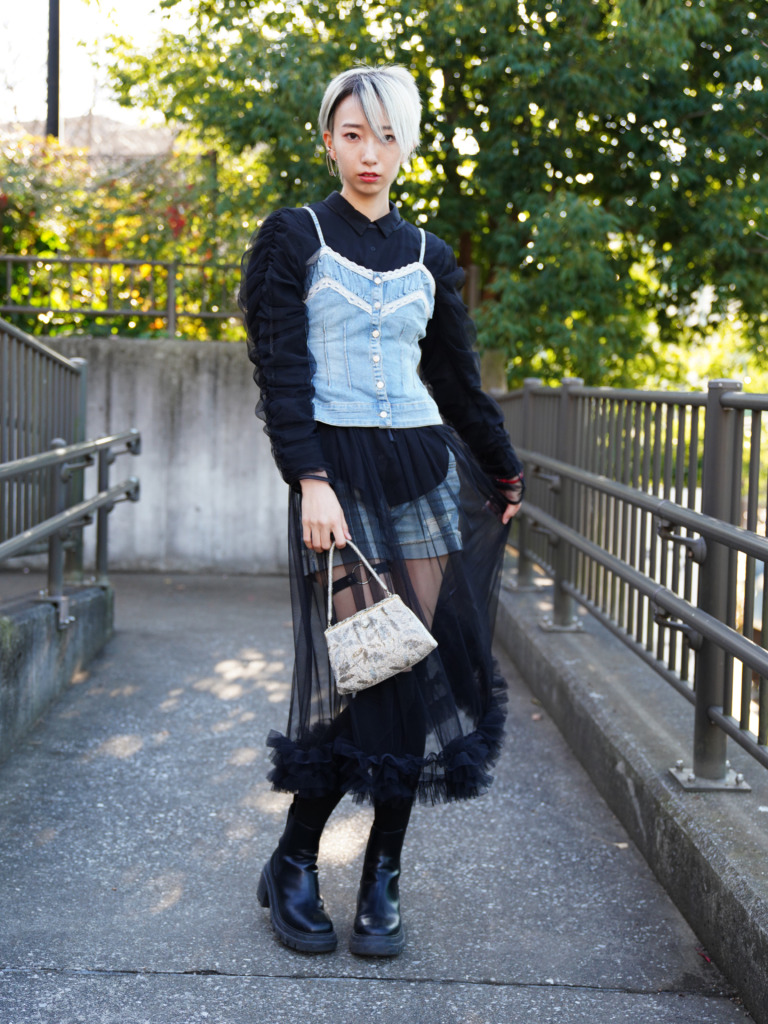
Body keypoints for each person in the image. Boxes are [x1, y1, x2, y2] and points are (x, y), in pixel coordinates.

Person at [239, 64, 523, 958]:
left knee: (412, 664)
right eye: (354, 134)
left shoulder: (429, 254)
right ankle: (296, 857)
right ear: (328, 139)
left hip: (423, 471)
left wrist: (502, 468)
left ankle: (381, 874)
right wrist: (309, 479)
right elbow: (282, 373)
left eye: (388, 136)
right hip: (340, 477)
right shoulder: (295, 236)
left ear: (407, 145)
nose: (371, 153)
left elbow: (455, 379)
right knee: (372, 669)